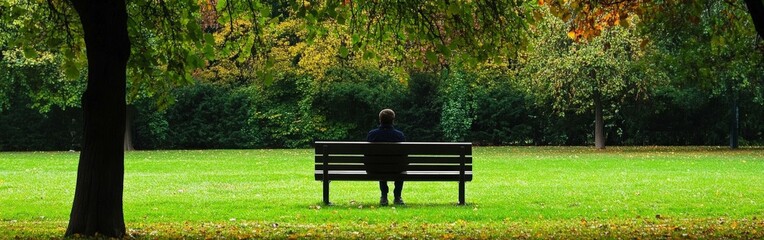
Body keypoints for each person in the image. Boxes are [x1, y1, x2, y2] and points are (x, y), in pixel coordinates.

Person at [366, 108, 406, 206]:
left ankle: (384, 197)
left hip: (376, 169)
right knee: (399, 166)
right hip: (396, 169)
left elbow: (367, 155)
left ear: (380, 120)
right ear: (393, 120)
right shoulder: (399, 135)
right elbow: (404, 156)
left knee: (380, 165)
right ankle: (397, 197)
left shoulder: (372, 135)